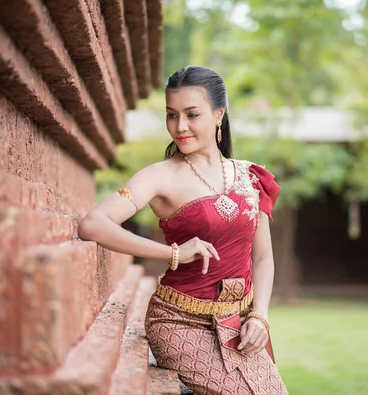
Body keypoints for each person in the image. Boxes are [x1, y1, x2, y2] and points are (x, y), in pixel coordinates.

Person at [77, 66, 288, 394]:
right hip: (178, 322)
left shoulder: (250, 177)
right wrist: (172, 253)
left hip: (238, 321)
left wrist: (259, 315)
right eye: (171, 115)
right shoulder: (160, 177)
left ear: (219, 115)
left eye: (192, 114)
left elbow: (262, 258)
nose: (180, 126)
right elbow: (92, 224)